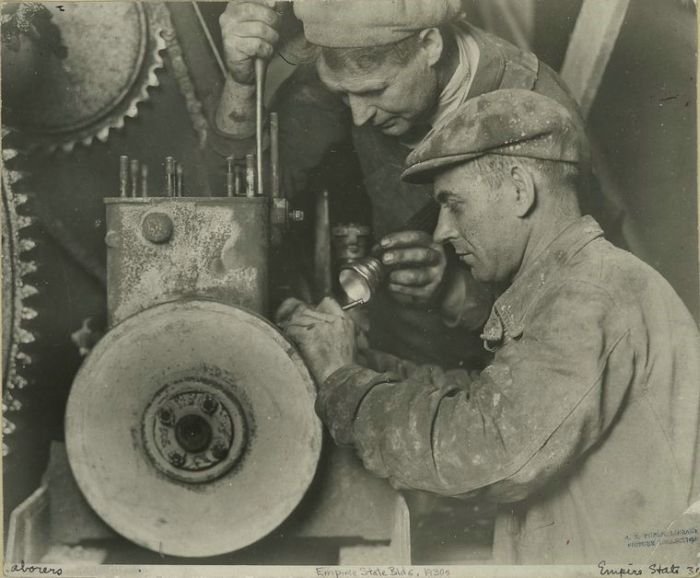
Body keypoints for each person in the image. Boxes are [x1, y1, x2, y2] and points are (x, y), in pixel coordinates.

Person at [280, 89, 700, 564]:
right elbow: (489, 398)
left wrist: (346, 386)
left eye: (453, 204)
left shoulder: (591, 297)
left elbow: (487, 449)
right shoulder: (570, 286)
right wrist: (353, 361)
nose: (441, 231)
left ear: (520, 189)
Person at [216, 0, 595, 368]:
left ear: (429, 45)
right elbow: (236, 204)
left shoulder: (535, 111)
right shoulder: (347, 70)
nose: (359, 116)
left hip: (493, 374)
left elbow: (570, 320)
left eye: (374, 91)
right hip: (384, 359)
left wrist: (454, 291)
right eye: (343, 94)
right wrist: (241, 85)